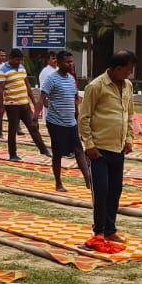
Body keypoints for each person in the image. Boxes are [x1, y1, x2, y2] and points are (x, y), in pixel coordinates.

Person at [79, 50, 139, 246]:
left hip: (118, 148)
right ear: (117, 68)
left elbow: (129, 114)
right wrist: (89, 145)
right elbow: (84, 118)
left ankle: (110, 230)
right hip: (99, 149)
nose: (130, 73)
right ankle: (99, 231)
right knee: (101, 191)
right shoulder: (96, 86)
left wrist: (129, 139)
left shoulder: (128, 86)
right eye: (128, 70)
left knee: (115, 190)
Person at [40, 50, 91, 193]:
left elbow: (74, 99)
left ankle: (88, 180)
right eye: (67, 62)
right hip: (56, 123)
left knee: (79, 151)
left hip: (71, 122)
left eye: (71, 61)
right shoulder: (52, 79)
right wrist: (35, 115)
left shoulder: (71, 79)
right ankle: (58, 183)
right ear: (59, 63)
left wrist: (77, 117)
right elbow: (42, 96)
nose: (70, 64)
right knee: (58, 154)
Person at [35, 50, 59, 118]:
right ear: (48, 61)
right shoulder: (45, 72)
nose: (55, 60)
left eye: (56, 58)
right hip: (49, 101)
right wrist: (45, 102)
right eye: (53, 59)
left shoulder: (59, 69)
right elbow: (43, 89)